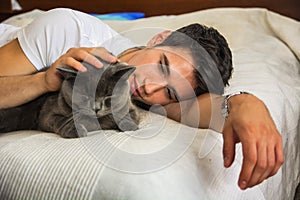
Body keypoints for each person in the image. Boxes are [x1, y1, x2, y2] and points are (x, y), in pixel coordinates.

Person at [0, 8, 283, 190]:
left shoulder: (154, 97)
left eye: (169, 92)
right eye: (161, 65)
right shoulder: (68, 29)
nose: (150, 88)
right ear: (159, 38)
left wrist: (245, 104)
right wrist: (42, 81)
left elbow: (201, 109)